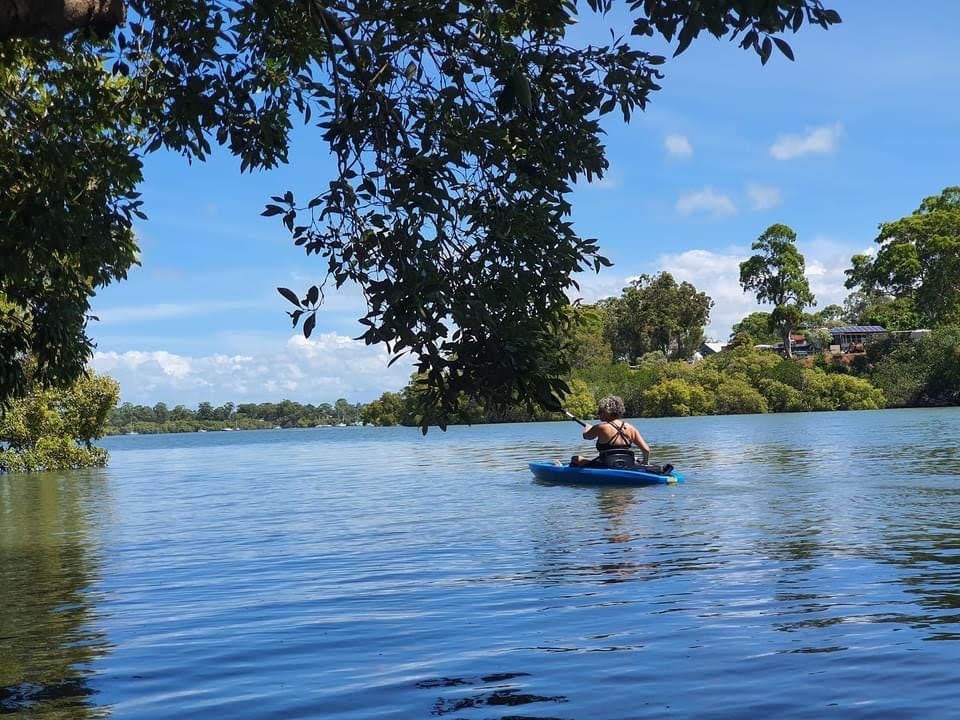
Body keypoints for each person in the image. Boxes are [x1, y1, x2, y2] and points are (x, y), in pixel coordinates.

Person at [570, 395, 651, 468]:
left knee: (576, 459)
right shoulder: (631, 428)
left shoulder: (600, 427)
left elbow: (586, 436)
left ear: (608, 411)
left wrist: (587, 428)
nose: (598, 414)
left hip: (604, 465)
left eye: (600, 411)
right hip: (626, 464)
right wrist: (645, 463)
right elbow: (646, 450)